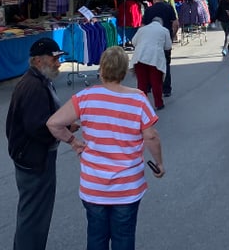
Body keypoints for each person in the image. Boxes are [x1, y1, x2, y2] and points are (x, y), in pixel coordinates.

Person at [47, 46, 165, 250]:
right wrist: (159, 163)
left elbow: (53, 123)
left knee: (96, 237)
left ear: (102, 69)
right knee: (123, 236)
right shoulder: (138, 99)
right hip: (127, 186)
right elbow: (151, 136)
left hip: (94, 185)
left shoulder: (85, 97)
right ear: (124, 71)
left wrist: (74, 143)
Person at [5, 37, 68, 250]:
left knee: (34, 215)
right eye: (54, 59)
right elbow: (38, 126)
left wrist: (65, 125)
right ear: (38, 61)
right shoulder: (34, 86)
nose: (58, 64)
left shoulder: (39, 81)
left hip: (33, 157)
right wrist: (63, 133)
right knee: (34, 217)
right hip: (34, 160)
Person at [129, 16, 173, 110]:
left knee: (141, 83)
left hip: (140, 57)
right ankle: (158, 103)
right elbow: (168, 46)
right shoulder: (164, 30)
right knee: (156, 82)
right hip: (155, 58)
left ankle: (142, 105)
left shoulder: (142, 29)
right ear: (161, 23)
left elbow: (133, 42)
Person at [142, 0, 177, 97]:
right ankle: (166, 89)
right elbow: (176, 24)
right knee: (166, 63)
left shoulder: (149, 10)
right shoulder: (169, 8)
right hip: (165, 39)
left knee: (150, 62)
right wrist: (172, 35)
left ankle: (149, 86)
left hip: (152, 40)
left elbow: (143, 26)